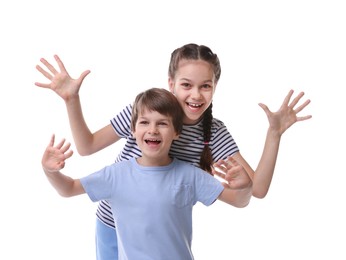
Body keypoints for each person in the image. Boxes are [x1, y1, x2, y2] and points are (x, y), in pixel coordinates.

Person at [35, 43, 312, 260]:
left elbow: (257, 189)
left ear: (215, 88)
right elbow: (87, 146)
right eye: (186, 85)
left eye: (206, 86)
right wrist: (72, 100)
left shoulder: (213, 132)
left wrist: (273, 134)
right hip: (114, 225)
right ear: (171, 83)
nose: (196, 95)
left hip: (165, 232)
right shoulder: (146, 111)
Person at [41, 87, 252, 260]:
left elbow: (239, 201)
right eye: (144, 122)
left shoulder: (189, 176)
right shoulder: (116, 176)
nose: (153, 130)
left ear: (176, 132)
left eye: (162, 123)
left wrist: (245, 187)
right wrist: (50, 171)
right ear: (132, 129)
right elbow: (68, 189)